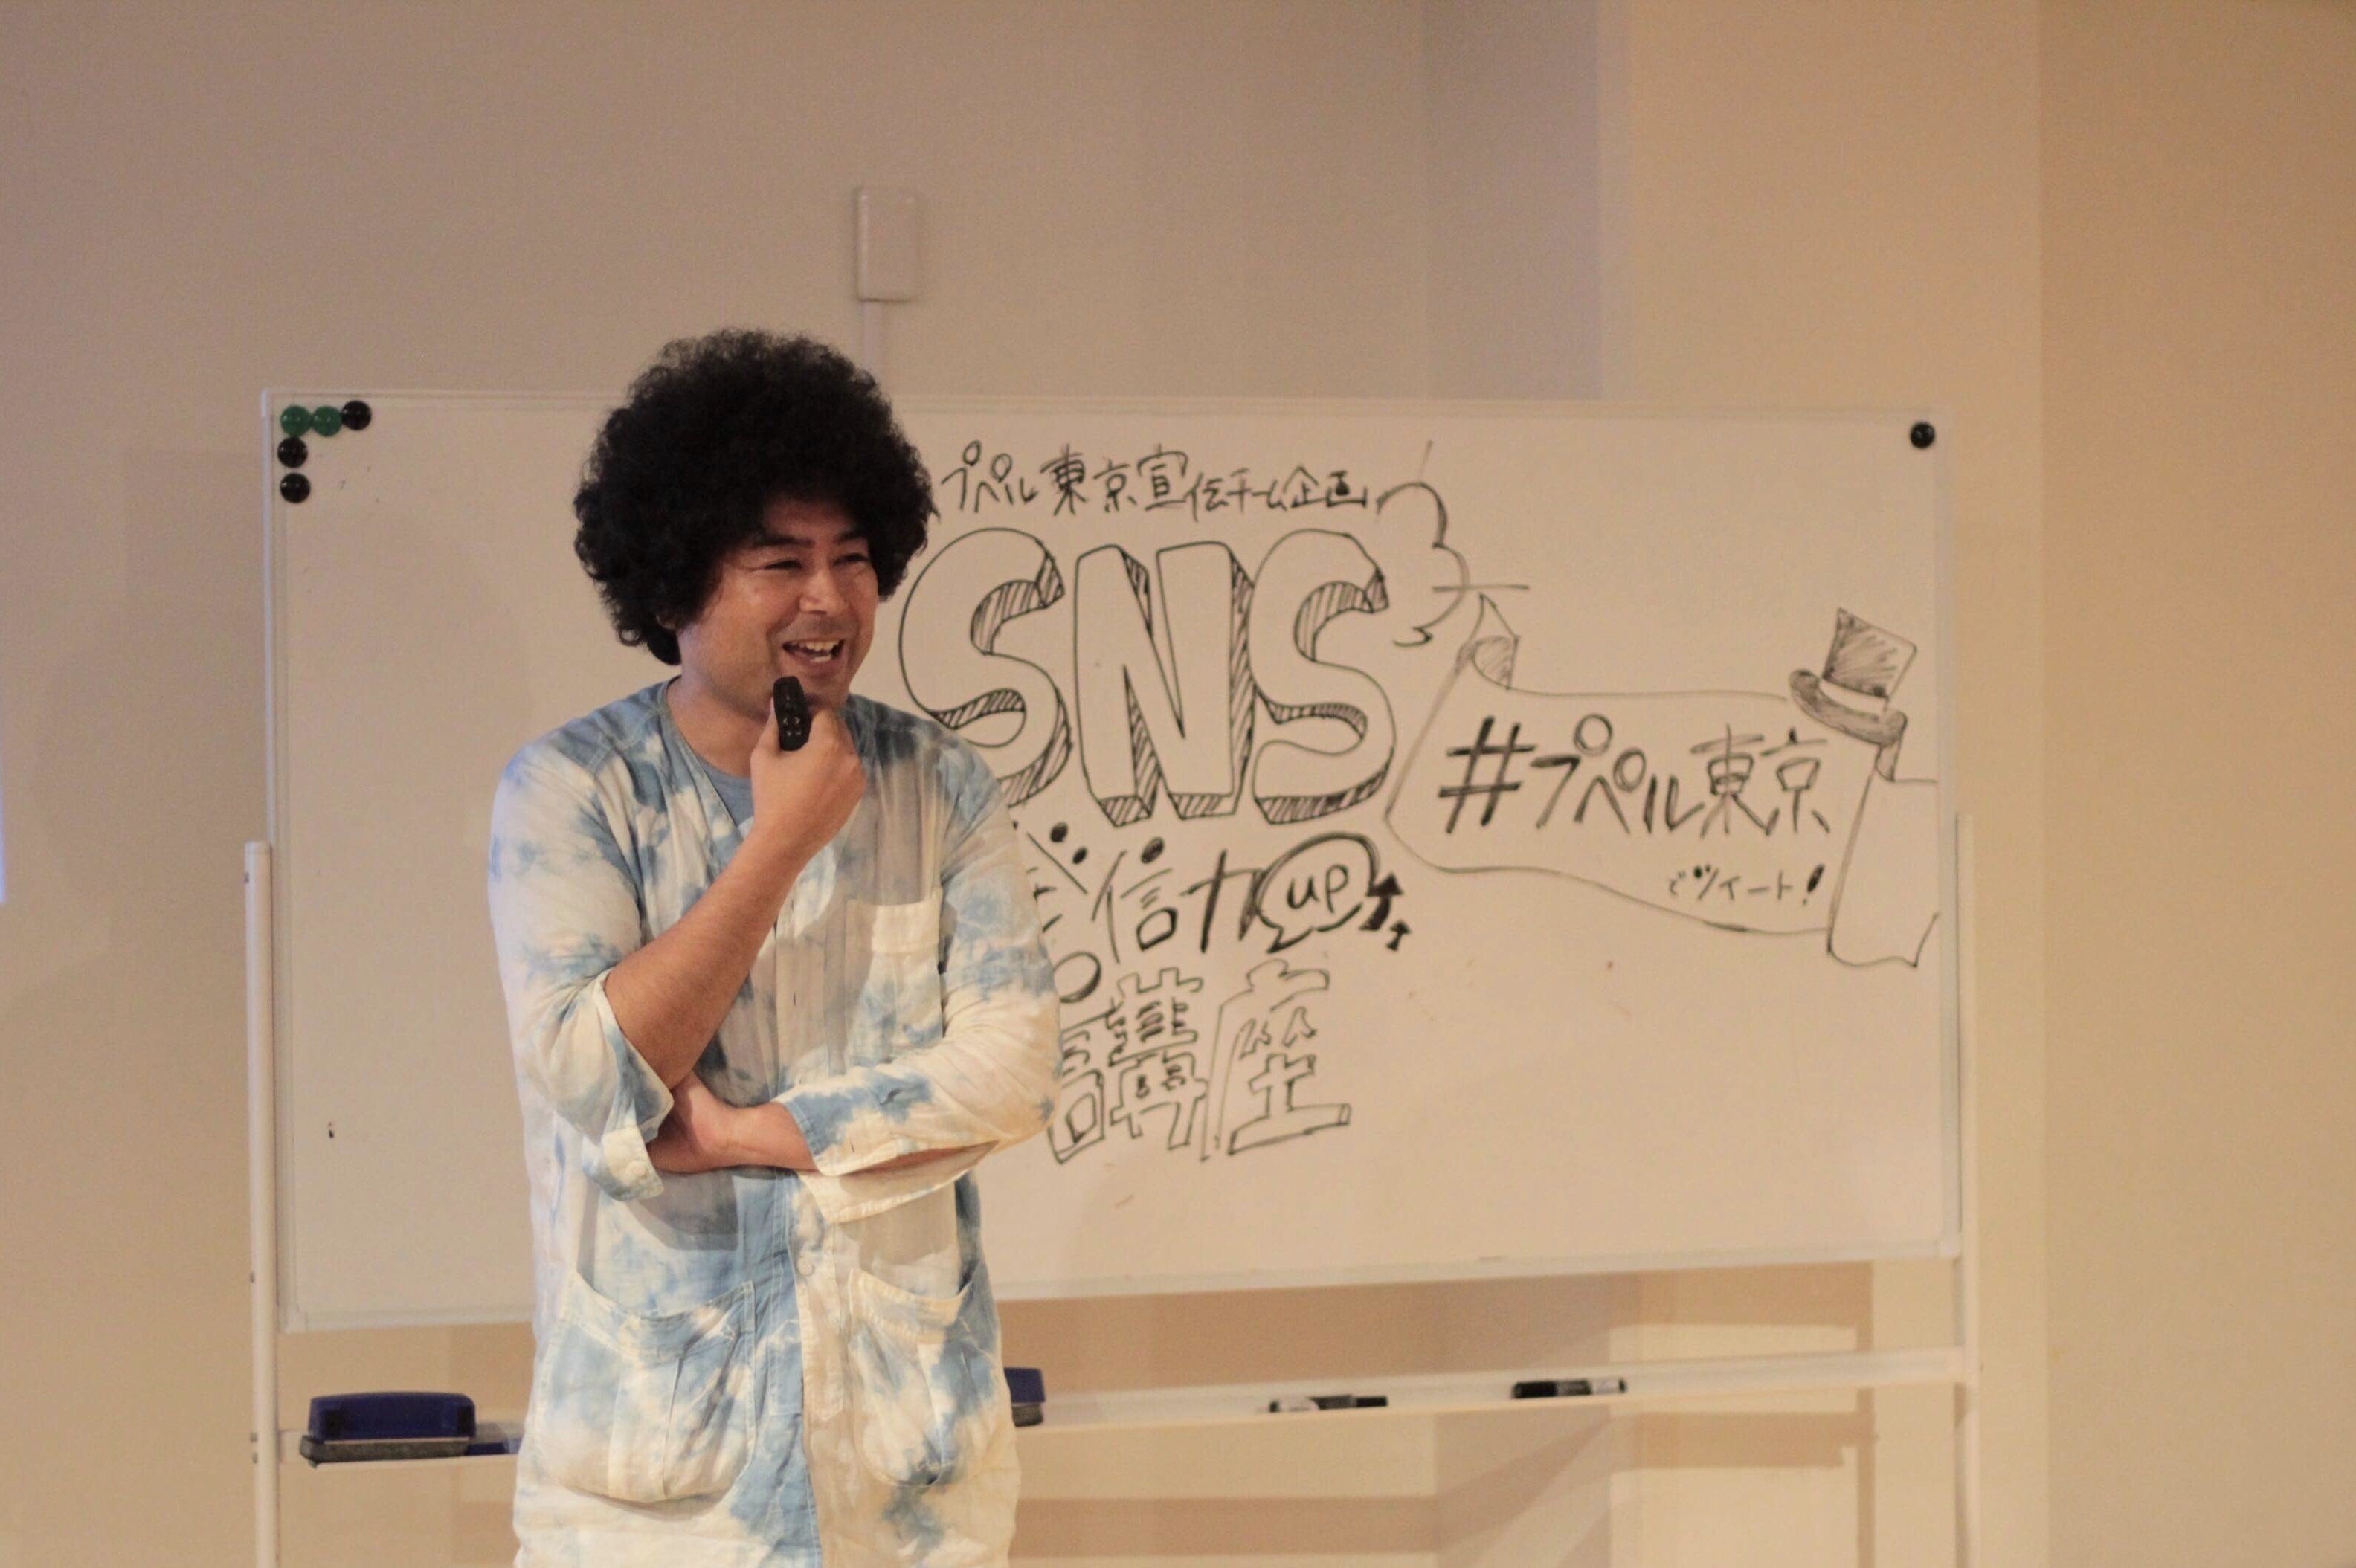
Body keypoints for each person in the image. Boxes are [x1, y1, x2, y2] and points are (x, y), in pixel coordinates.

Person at [486, 329, 1060, 1565]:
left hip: (908, 1488)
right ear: (674, 587)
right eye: (780, 562)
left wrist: (747, 1135)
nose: (828, 599)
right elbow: (592, 1075)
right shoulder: (571, 791)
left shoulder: (941, 784)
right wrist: (779, 844)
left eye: (852, 558)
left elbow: (1013, 1070)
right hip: (655, 1504)